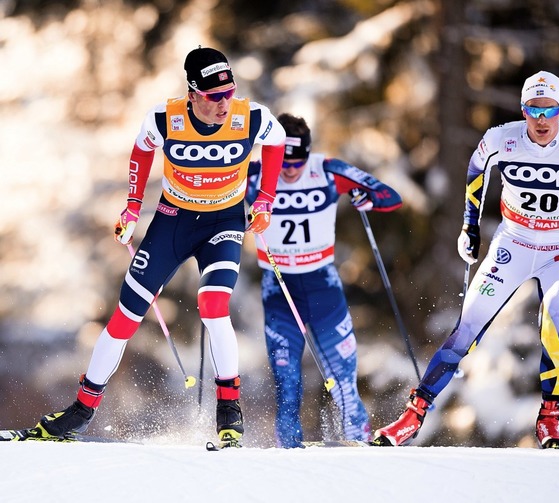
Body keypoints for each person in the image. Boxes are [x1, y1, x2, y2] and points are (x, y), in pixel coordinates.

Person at [29, 47, 285, 447]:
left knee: (214, 304)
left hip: (224, 222)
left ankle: (229, 411)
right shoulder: (166, 118)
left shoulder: (250, 116)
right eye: (215, 96)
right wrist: (132, 207)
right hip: (173, 221)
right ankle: (80, 410)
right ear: (194, 93)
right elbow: (142, 149)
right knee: (126, 315)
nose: (224, 104)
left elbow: (277, 141)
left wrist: (265, 200)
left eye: (229, 93)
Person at [373, 71, 559, 449]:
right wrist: (470, 227)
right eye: (533, 109)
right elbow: (476, 169)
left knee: (552, 321)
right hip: (515, 243)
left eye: (550, 110)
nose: (541, 120)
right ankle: (412, 417)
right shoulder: (502, 138)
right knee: (467, 328)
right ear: (523, 109)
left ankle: (549, 419)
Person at [246, 113, 403, 448]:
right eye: (284, 161)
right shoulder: (255, 175)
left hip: (323, 289)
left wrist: (367, 198)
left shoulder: (327, 170)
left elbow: (390, 196)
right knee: (287, 386)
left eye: (297, 160)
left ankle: (360, 452)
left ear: (308, 152)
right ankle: (289, 464)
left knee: (344, 384)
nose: (289, 169)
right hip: (279, 292)